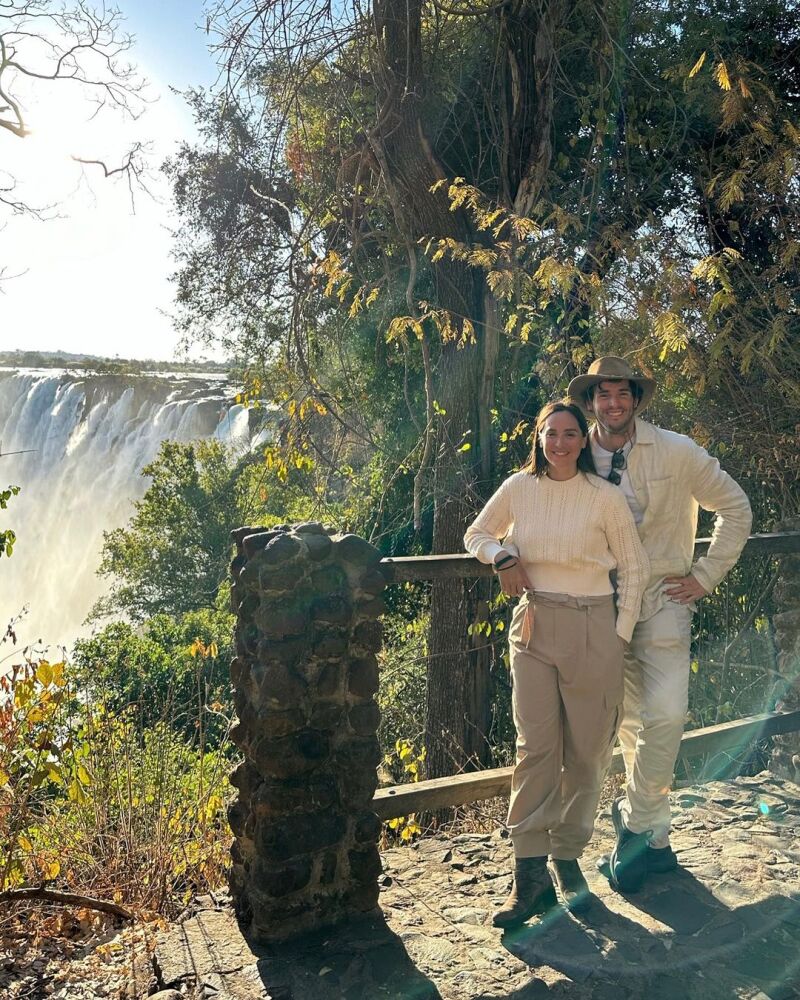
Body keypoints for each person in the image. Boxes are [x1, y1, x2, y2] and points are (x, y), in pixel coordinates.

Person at [567, 356, 752, 893]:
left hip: (665, 596)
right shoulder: (572, 452)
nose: (613, 404)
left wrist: (706, 575)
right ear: (591, 402)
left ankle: (634, 819)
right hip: (600, 602)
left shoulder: (677, 450)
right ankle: (657, 840)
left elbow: (735, 508)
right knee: (628, 723)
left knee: (668, 714)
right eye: (603, 395)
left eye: (622, 394)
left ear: (637, 400)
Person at [464, 400, 649, 926]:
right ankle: (529, 880)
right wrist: (501, 556)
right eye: (552, 434)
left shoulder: (604, 498)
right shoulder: (520, 487)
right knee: (535, 748)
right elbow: (477, 533)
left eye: (571, 434)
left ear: (582, 441)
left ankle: (567, 855)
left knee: (588, 754)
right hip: (534, 626)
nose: (561, 443)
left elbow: (634, 570)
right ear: (539, 438)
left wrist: (617, 633)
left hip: (596, 628)